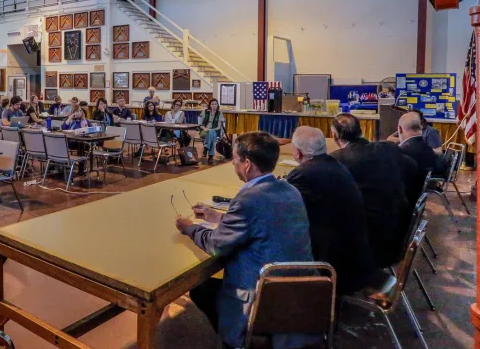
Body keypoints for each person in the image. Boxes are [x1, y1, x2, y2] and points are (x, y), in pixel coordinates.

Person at [175, 132, 314, 349]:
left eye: (235, 158)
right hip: (299, 291)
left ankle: (239, 341)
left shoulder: (248, 198)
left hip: (261, 295)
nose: (233, 162)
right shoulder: (290, 190)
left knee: (201, 288)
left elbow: (216, 245)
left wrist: (189, 228)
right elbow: (263, 222)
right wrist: (218, 216)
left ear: (247, 164)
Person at [285, 127, 376, 294]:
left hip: (334, 265)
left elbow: (283, 213)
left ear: (297, 153)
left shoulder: (303, 174)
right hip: (358, 256)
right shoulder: (336, 165)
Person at [330, 113, 413, 268]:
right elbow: (412, 168)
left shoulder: (337, 160)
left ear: (334, 136)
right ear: (360, 130)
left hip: (370, 237)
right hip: (400, 226)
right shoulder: (388, 148)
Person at [397, 111, 440, 207]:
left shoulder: (402, 153)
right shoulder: (427, 149)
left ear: (400, 129)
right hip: (416, 204)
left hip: (402, 209)